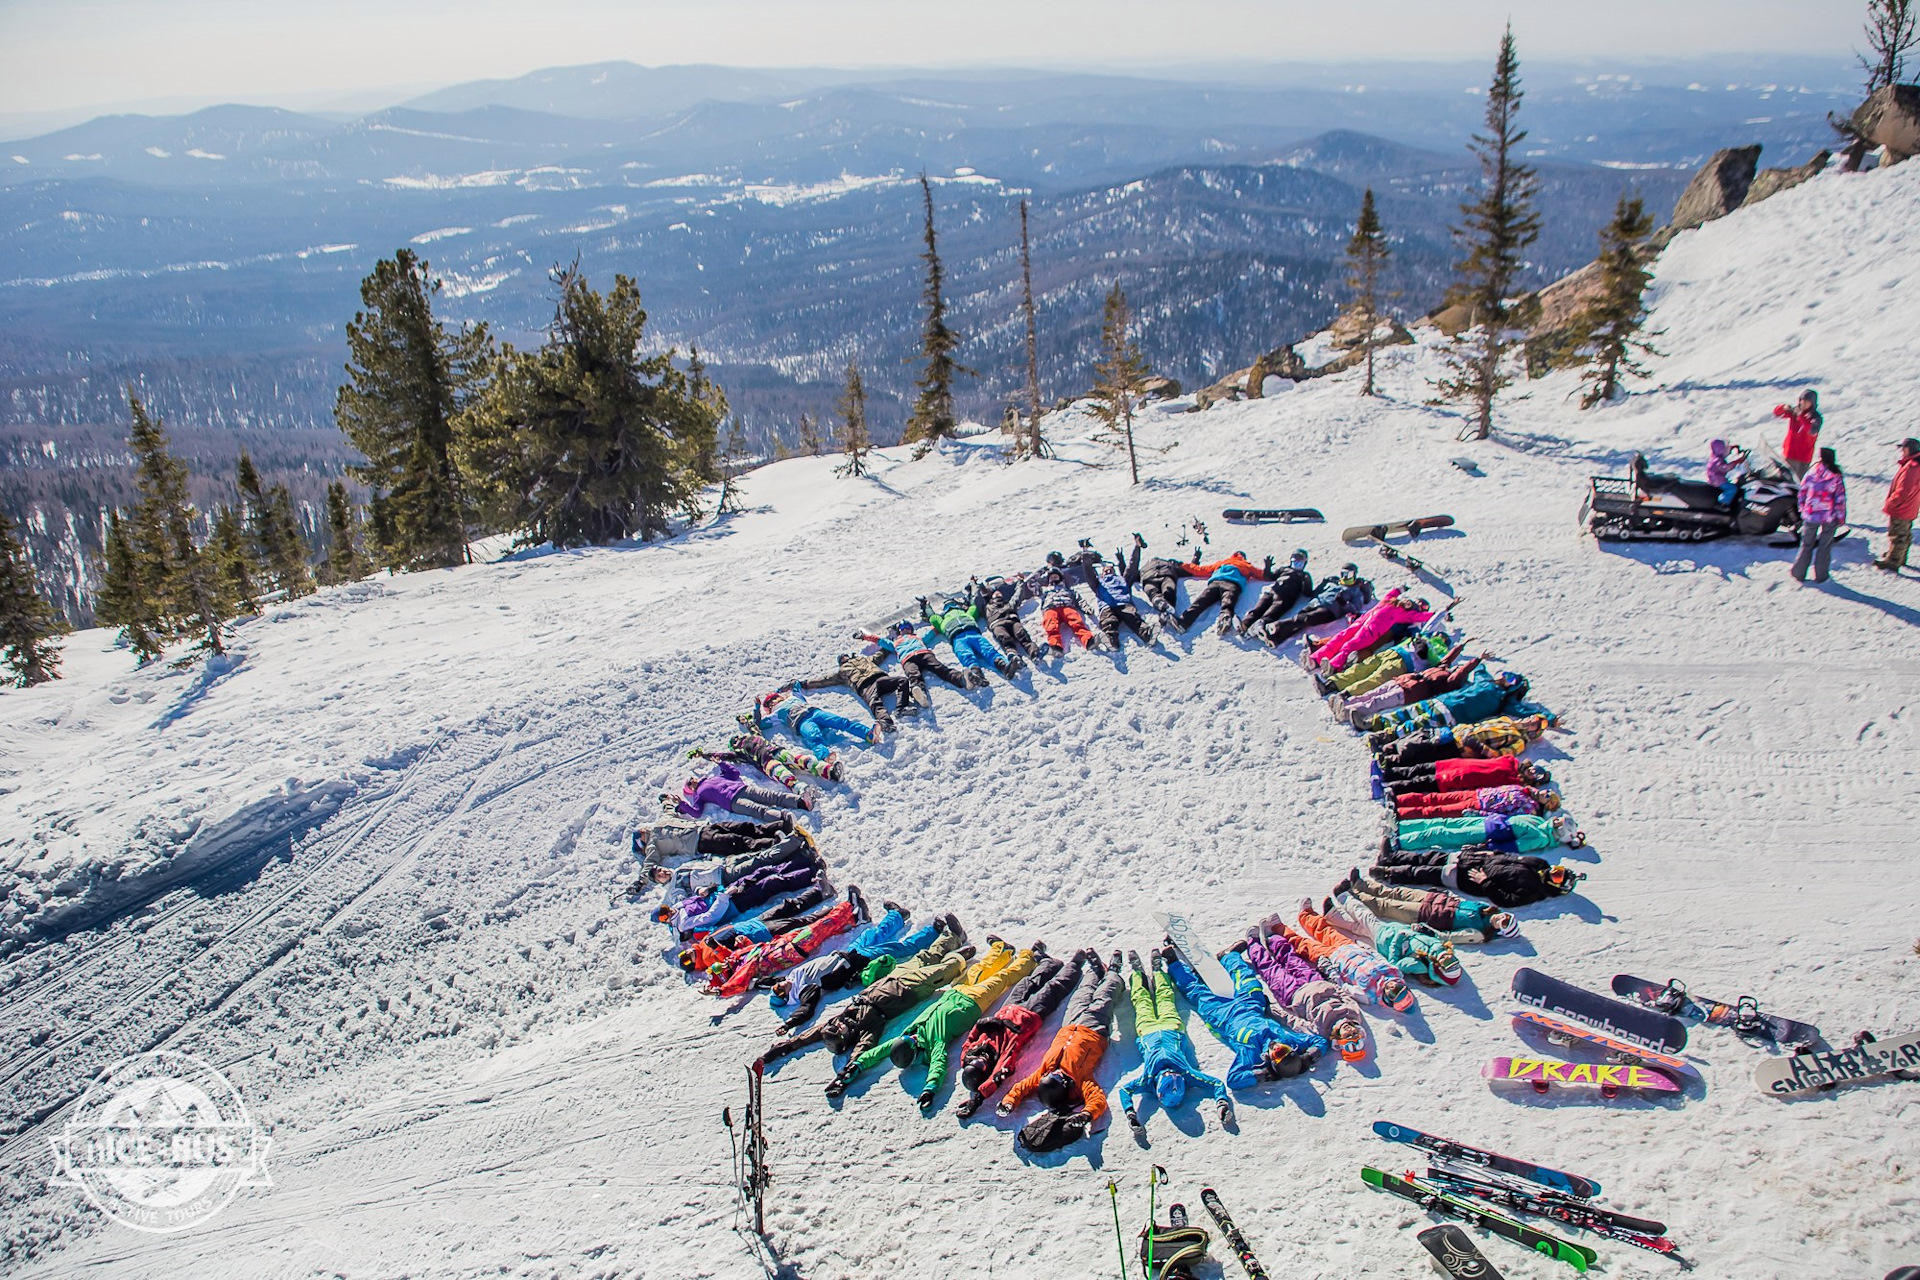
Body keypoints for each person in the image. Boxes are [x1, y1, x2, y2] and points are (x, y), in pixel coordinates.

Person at [835, 938, 1040, 1110]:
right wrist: (930, 1089)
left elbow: (877, 1052)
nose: (912, 1036)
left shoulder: (906, 1038)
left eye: (908, 1038)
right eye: (913, 1041)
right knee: (1000, 979)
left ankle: (1001, 950)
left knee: (978, 970)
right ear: (916, 1051)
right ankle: (1030, 958)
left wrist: (855, 1067)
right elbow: (938, 1067)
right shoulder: (934, 1046)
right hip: (970, 1004)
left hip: (953, 994)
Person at [761, 922, 972, 1070]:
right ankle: (958, 957)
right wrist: (849, 1070)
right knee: (941, 972)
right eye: (838, 1029)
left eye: (833, 1026)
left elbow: (807, 1036)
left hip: (890, 980)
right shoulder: (866, 1028)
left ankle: (952, 937)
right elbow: (864, 1048)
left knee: (924, 958)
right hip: (908, 990)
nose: (838, 1023)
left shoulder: (842, 1018)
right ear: (845, 1037)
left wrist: (783, 1047)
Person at [997, 951, 1125, 1151]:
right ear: (1065, 1084)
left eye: (1052, 1075)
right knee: (1104, 996)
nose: (1054, 1072)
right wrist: (1086, 1114)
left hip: (1069, 1026)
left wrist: (1009, 1102)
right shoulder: (1081, 1080)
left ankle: (1095, 970)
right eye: (1057, 1077)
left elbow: (1021, 1087)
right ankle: (1114, 972)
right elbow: (1097, 1099)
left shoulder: (1044, 1073)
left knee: (1083, 993)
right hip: (1093, 1030)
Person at [1163, 944, 1331, 1088]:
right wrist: (1309, 1057)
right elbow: (1320, 1041)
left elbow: (1234, 1079)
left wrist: (1263, 1074)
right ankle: (1229, 957)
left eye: (1279, 1054)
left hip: (1223, 1015)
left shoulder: (1251, 1052)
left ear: (1272, 1062)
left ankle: (1174, 964)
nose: (1278, 1047)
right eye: (1285, 1050)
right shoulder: (1289, 1040)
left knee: (1198, 993)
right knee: (1250, 983)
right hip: (1251, 1007)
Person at [761, 903, 951, 1029]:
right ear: (786, 997)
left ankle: (897, 915)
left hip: (848, 952)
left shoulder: (791, 978)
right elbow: (806, 1009)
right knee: (898, 948)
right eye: (779, 991)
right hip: (856, 962)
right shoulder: (804, 990)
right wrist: (789, 1024)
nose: (780, 985)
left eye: (777, 987)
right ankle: (933, 930)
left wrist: (755, 982)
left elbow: (768, 980)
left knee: (875, 934)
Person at [954, 949, 1089, 1118]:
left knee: (1028, 982)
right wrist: (978, 1099)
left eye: (976, 1062)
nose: (981, 1060)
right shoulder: (1002, 1060)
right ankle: (1075, 965)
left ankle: (1049, 964)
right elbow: (995, 1079)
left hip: (1007, 1009)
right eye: (983, 1066)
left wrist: (983, 1024)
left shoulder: (967, 1055)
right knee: (1052, 988)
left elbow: (972, 1036)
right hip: (1027, 1017)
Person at [1113, 950, 1231, 1132]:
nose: (1169, 1071)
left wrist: (1131, 1114)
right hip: (1171, 1027)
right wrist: (1222, 1103)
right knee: (1165, 997)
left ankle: (1137, 973)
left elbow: (1125, 1091)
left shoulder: (1147, 1080)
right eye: (1173, 1075)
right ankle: (1158, 970)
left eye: (1167, 1076)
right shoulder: (1188, 1074)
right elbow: (1216, 1084)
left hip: (1147, 1031)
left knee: (1141, 1000)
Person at [1239, 929, 1367, 1062]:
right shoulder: (1353, 1014)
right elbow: (1344, 995)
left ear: (1339, 1039)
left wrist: (1273, 1011)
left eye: (1348, 1035)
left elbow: (1296, 1023)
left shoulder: (1322, 1031)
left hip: (1294, 994)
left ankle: (1253, 943)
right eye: (1355, 1032)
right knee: (1292, 959)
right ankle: (1273, 938)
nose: (1350, 1030)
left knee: (1270, 970)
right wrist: (1331, 984)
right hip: (1316, 981)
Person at [706, 893, 863, 997]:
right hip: (790, 950)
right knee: (819, 927)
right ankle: (849, 905)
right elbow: (736, 984)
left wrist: (722, 945)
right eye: (719, 967)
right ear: (724, 974)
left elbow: (735, 955)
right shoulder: (743, 970)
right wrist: (720, 991)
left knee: (820, 929)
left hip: (782, 942)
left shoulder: (738, 960)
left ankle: (854, 920)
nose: (722, 962)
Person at [678, 884, 843, 973]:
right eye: (687, 959)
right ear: (693, 965)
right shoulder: (708, 960)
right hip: (758, 934)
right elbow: (729, 957)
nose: (688, 954)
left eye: (684, 954)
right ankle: (836, 911)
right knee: (798, 922)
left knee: (786, 906)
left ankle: (820, 892)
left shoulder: (701, 944)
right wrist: (715, 947)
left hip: (751, 924)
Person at [1277, 910, 1415, 1012]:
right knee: (1326, 931)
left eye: (1392, 993)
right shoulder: (1395, 973)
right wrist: (1366, 949)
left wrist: (1331, 971)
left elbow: (1345, 987)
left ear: (1387, 999)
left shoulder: (1368, 995)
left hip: (1335, 959)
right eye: (1397, 988)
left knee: (1305, 945)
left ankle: (1278, 929)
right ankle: (1306, 914)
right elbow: (1379, 959)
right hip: (1350, 948)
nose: (1391, 987)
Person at [1363, 670, 1548, 744]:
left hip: (1453, 714)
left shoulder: (1504, 701)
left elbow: (1525, 711)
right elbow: (1480, 671)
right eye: (1506, 675)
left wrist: (1548, 716)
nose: (1504, 678)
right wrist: (1480, 660)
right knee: (1406, 712)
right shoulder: (1486, 681)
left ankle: (1384, 737)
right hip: (1441, 700)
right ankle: (1373, 723)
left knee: (1417, 724)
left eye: (1510, 680)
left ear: (1513, 687)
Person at [1332, 869, 1516, 943]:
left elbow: (1452, 937)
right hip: (1433, 899)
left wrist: (1428, 931)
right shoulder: (1485, 909)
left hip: (1427, 916)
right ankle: (1361, 885)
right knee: (1395, 892)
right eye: (1507, 918)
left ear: (1501, 931)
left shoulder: (1481, 933)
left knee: (1388, 906)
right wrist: (1444, 896)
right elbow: (1461, 903)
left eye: (1505, 924)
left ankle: (1353, 895)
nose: (1502, 919)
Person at [1318, 892, 1462, 987]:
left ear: (1439, 968)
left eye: (1447, 963)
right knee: (1362, 928)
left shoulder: (1420, 965)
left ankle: (1344, 896)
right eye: (1453, 960)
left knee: (1366, 917)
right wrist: (1424, 930)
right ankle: (1332, 915)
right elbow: (1430, 938)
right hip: (1398, 929)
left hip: (1386, 940)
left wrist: (1397, 940)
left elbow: (1395, 964)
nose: (1448, 957)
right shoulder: (1441, 948)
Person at [1371, 846, 1584, 909]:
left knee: (1426, 873)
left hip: (1471, 877)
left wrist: (1485, 882)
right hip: (1475, 859)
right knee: (1429, 857)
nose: (1552, 873)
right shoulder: (1540, 864)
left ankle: (1389, 873)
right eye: (1557, 871)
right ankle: (1391, 857)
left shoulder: (1533, 892)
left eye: (1556, 877)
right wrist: (1490, 853)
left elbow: (1506, 900)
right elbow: (1512, 857)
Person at [659, 859, 824, 939]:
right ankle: (810, 873)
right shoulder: (684, 923)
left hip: (723, 891)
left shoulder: (679, 907)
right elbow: (711, 916)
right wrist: (724, 897)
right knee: (770, 884)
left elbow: (697, 896)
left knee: (761, 872)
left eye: (665, 909)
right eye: (664, 915)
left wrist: (705, 889)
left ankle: (804, 860)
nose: (669, 911)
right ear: (666, 921)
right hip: (732, 904)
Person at [1305, 587, 1434, 674]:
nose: (1407, 603)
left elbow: (1424, 617)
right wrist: (1401, 589)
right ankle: (1316, 658)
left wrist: (1442, 612)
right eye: (1408, 601)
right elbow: (1393, 593)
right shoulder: (1389, 601)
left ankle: (1333, 666)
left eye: (1411, 605)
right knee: (1340, 637)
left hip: (1372, 631)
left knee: (1350, 646)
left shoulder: (1405, 615)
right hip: (1361, 623)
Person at [1371, 712, 1556, 772]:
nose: (1529, 722)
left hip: (1465, 747)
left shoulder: (1519, 741)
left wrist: (1477, 746)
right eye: (1531, 719)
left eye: (1533, 725)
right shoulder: (1506, 720)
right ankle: (1386, 748)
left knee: (1423, 751)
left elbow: (1498, 756)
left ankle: (1388, 762)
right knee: (1419, 736)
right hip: (1457, 733)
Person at [1337, 652, 1481, 726]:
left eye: (1457, 668)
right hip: (1402, 680)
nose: (1455, 667)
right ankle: (1346, 703)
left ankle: (1348, 712)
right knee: (1371, 694)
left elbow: (1461, 673)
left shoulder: (1450, 683)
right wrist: (1461, 646)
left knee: (1378, 701)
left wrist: (1477, 660)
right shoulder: (1442, 668)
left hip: (1410, 692)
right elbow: (1447, 659)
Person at [859, 620, 969, 709]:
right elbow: (880, 640)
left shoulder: (918, 638)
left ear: (911, 630)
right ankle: (920, 694)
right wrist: (865, 636)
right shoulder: (895, 643)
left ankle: (961, 679)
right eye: (902, 629)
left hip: (924, 654)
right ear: (899, 632)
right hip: (908, 659)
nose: (905, 630)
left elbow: (931, 632)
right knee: (914, 676)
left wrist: (941, 621)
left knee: (940, 668)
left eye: (907, 628)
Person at [631, 814, 798, 873]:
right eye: (641, 834)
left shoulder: (661, 822)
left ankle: (779, 826)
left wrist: (667, 801)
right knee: (736, 842)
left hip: (704, 827)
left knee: (742, 827)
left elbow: (669, 811)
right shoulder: (653, 844)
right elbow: (650, 864)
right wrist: (641, 881)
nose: (644, 830)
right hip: (699, 842)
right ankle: (775, 843)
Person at [666, 761, 814, 824]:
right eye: (689, 784)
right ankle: (783, 818)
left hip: (742, 788)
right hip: (732, 802)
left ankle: (801, 802)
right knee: (758, 810)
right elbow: (696, 812)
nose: (692, 781)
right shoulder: (699, 795)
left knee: (772, 796)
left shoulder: (715, 777)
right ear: (690, 789)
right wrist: (681, 804)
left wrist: (721, 763)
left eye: (691, 779)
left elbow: (734, 773)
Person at [1261, 564, 1374, 646]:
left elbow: (1355, 609)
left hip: (1330, 610)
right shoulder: (1334, 583)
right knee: (1300, 620)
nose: (1345, 577)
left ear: (1354, 574)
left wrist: (1344, 604)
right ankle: (1276, 639)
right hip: (1316, 602)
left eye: (1349, 574)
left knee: (1305, 619)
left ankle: (1277, 626)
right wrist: (1323, 583)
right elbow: (1315, 593)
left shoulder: (1356, 591)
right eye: (1343, 573)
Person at [798, 653, 914, 731]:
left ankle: (901, 708)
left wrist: (887, 646)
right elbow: (825, 680)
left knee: (902, 681)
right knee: (874, 702)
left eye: (845, 655)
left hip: (879, 678)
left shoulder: (863, 659)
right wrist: (805, 683)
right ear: (840, 662)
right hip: (864, 685)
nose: (845, 657)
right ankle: (885, 721)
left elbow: (879, 655)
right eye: (842, 657)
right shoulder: (842, 672)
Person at [920, 592, 1019, 684]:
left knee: (981, 651)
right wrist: (926, 605)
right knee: (973, 653)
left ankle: (1003, 667)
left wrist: (927, 605)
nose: (951, 609)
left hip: (964, 636)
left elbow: (933, 617)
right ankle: (978, 673)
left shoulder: (946, 618)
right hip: (963, 636)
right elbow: (933, 617)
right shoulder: (951, 617)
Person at [1072, 547, 1158, 648]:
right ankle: (1110, 640)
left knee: (1134, 619)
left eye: (1110, 570)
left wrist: (1136, 547)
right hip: (1107, 606)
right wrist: (1085, 554)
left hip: (1123, 603)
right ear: (1102, 574)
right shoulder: (1098, 583)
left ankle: (1147, 635)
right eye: (1105, 571)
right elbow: (1088, 573)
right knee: (1108, 622)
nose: (1108, 571)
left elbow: (1132, 567)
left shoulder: (1122, 579)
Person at [692, 733, 843, 789]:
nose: (738, 740)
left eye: (737, 738)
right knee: (782, 774)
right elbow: (721, 755)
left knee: (801, 760)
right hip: (766, 762)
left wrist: (754, 712)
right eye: (735, 742)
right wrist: (703, 754)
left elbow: (753, 723)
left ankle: (829, 771)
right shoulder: (741, 754)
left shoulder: (755, 735)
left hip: (777, 751)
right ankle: (801, 789)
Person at [756, 688, 878, 755]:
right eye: (770, 704)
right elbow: (760, 724)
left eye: (774, 698)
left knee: (842, 722)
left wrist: (783, 688)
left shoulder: (794, 697)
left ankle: (868, 734)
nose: (773, 702)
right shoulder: (776, 713)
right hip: (801, 722)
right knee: (814, 736)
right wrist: (757, 709)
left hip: (814, 712)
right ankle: (824, 757)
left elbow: (796, 685)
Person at [1175, 551, 1271, 635]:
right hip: (1232, 583)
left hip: (1215, 582)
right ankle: (1225, 616)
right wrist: (1267, 569)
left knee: (1201, 601)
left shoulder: (1222, 563)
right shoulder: (1246, 565)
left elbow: (1200, 570)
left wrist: (1182, 564)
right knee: (1228, 601)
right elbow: (1262, 575)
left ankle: (1184, 622)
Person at [1394, 812, 1582, 854]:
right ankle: (1402, 826)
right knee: (1445, 821)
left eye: (1559, 822)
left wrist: (1486, 847)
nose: (1556, 819)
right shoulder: (1541, 821)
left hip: (1486, 833)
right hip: (1488, 821)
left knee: (1441, 833)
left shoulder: (1540, 838)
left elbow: (1514, 846)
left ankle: (1400, 841)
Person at [1791, 446, 1847, 584]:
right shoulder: (1836, 476)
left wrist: (1803, 508)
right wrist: (1841, 518)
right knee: (1825, 546)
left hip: (1810, 515)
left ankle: (1798, 572)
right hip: (1829, 517)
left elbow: (1802, 492)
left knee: (1806, 544)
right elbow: (1840, 500)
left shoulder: (1812, 472)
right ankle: (1821, 575)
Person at [1377, 754, 1551, 798]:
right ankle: (1385, 773)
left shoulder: (1515, 783)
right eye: (1536, 769)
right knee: (1420, 768)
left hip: (1463, 779)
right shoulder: (1511, 761)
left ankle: (1389, 787)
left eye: (1537, 776)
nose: (1533, 772)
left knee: (1421, 782)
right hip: (1458, 764)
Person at [1237, 550, 1313, 636]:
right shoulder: (1284, 569)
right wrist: (1267, 568)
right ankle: (1245, 623)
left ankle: (1260, 625)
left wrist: (1306, 582)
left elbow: (1307, 593)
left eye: (1300, 560)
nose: (1296, 562)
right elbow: (1270, 577)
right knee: (1258, 609)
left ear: (1304, 562)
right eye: (1295, 559)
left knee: (1272, 613)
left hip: (1285, 598)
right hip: (1272, 593)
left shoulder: (1304, 575)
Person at [967, 575, 1042, 663]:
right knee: (1004, 637)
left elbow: (1018, 595)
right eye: (995, 593)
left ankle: (1034, 653)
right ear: (991, 596)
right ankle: (1013, 655)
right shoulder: (986, 606)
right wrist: (974, 584)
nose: (998, 593)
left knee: (1022, 634)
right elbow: (976, 597)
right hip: (997, 624)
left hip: (1012, 621)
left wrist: (1020, 582)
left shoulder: (1009, 604)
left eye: (999, 593)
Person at [1030, 568, 1101, 656]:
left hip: (1067, 606)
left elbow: (1079, 600)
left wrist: (1086, 608)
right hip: (1050, 608)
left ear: (1060, 578)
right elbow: (1032, 583)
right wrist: (1040, 571)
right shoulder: (1045, 591)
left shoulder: (1068, 590)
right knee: (1051, 626)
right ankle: (1056, 646)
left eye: (1055, 576)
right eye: (1051, 577)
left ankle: (1088, 640)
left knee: (1076, 622)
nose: (1053, 578)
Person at [1395, 784, 1560, 819]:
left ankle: (1400, 814)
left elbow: (1503, 816)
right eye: (1547, 791)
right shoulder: (1526, 789)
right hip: (1476, 794)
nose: (1544, 792)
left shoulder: (1528, 808)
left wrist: (1478, 814)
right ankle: (1398, 801)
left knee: (1437, 811)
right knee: (1434, 797)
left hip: (1478, 806)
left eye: (1547, 796)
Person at [1879, 437, 1920, 572]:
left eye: (1903, 448)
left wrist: (1891, 504)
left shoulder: (1912, 467)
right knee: (1905, 533)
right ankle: (1899, 556)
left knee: (1897, 535)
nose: (1902, 451)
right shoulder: (1915, 464)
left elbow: (1903, 491)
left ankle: (1893, 561)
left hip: (1902, 507)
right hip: (1910, 507)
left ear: (1908, 449)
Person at [1133, 538, 1191, 625]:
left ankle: (1166, 610)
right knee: (1151, 590)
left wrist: (1195, 559)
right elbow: (1130, 575)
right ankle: (1160, 602)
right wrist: (1121, 561)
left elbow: (1188, 570)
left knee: (1169, 589)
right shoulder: (1143, 569)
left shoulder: (1170, 564)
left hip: (1166, 577)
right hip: (1149, 579)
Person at [1774, 389, 1823, 481]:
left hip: (1803, 458)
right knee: (1783, 481)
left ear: (1812, 403)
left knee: (1798, 483)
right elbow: (1777, 413)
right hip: (1789, 453)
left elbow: (1811, 430)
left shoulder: (1816, 417)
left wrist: (1800, 417)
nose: (1802, 403)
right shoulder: (1795, 411)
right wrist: (1783, 407)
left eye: (1806, 402)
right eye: (1801, 400)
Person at [1705, 438, 1747, 506]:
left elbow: (1726, 452)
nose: (1726, 450)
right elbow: (1725, 468)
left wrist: (1733, 447)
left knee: (1734, 484)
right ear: (1720, 450)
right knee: (1732, 489)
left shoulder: (1716, 457)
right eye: (1724, 448)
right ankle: (1722, 503)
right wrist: (1736, 462)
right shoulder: (1717, 460)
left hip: (1716, 479)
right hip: (1717, 481)